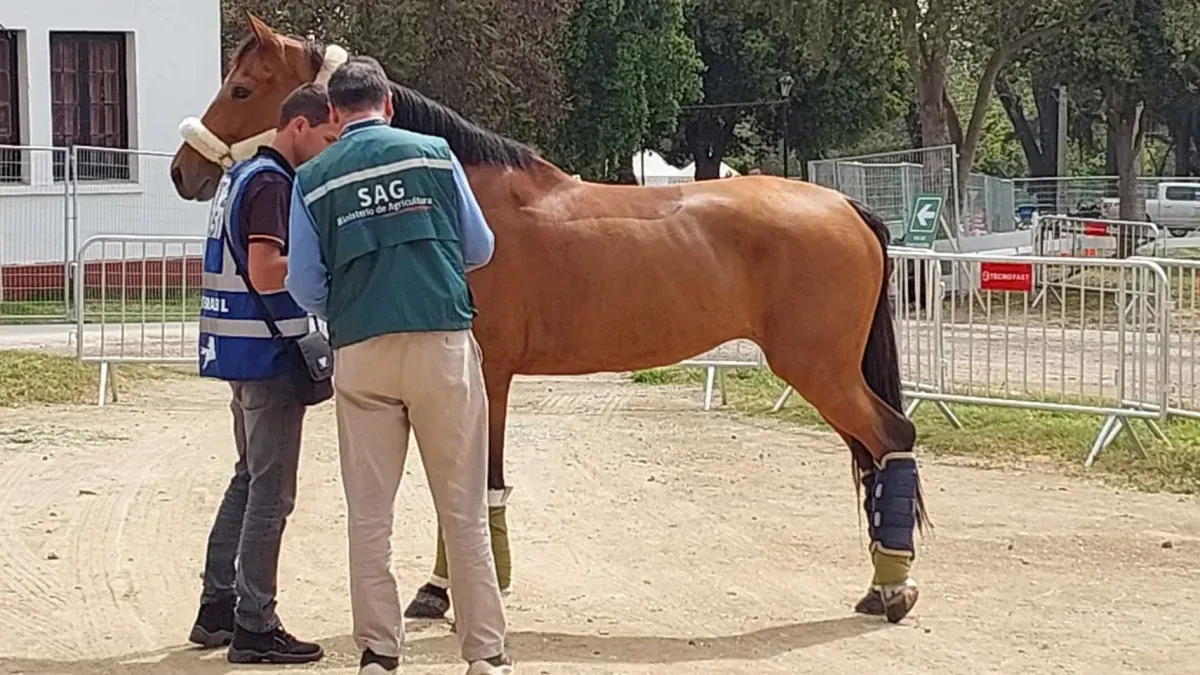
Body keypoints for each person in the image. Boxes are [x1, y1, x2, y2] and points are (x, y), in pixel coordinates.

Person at [285, 57, 512, 675]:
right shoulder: (436, 154)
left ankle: (380, 652)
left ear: (331, 113)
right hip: (441, 341)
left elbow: (302, 282)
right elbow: (480, 247)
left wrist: (357, 305)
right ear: (388, 104)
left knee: (370, 513)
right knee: (461, 508)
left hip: (361, 351)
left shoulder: (313, 179)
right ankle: (485, 653)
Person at [189, 83, 341, 665]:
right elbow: (266, 265)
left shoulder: (239, 178)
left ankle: (217, 608)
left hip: (238, 351)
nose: (329, 150)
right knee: (271, 494)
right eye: (327, 137)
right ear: (298, 127)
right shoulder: (275, 183)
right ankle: (255, 623)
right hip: (271, 356)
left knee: (247, 478)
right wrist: (327, 264)